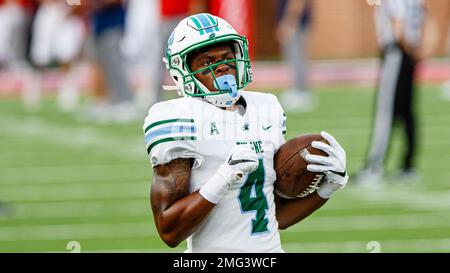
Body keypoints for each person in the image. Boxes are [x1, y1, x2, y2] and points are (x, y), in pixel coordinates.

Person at [143, 13, 348, 252]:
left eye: (228, 58)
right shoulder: (179, 118)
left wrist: (327, 188)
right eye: (208, 61)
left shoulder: (267, 109)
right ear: (182, 70)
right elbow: (169, 230)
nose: (222, 67)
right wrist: (223, 179)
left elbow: (274, 216)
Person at [356, 0, 425, 184]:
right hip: (408, 53)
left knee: (385, 111)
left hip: (397, 52)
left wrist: (405, 47)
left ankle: (374, 167)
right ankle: (408, 165)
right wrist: (416, 50)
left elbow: (398, 25)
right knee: (406, 110)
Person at [276, 0, 314, 112]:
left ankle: (300, 92)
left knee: (296, 58)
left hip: (296, 23)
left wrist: (289, 21)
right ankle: (299, 90)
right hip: (296, 22)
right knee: (295, 57)